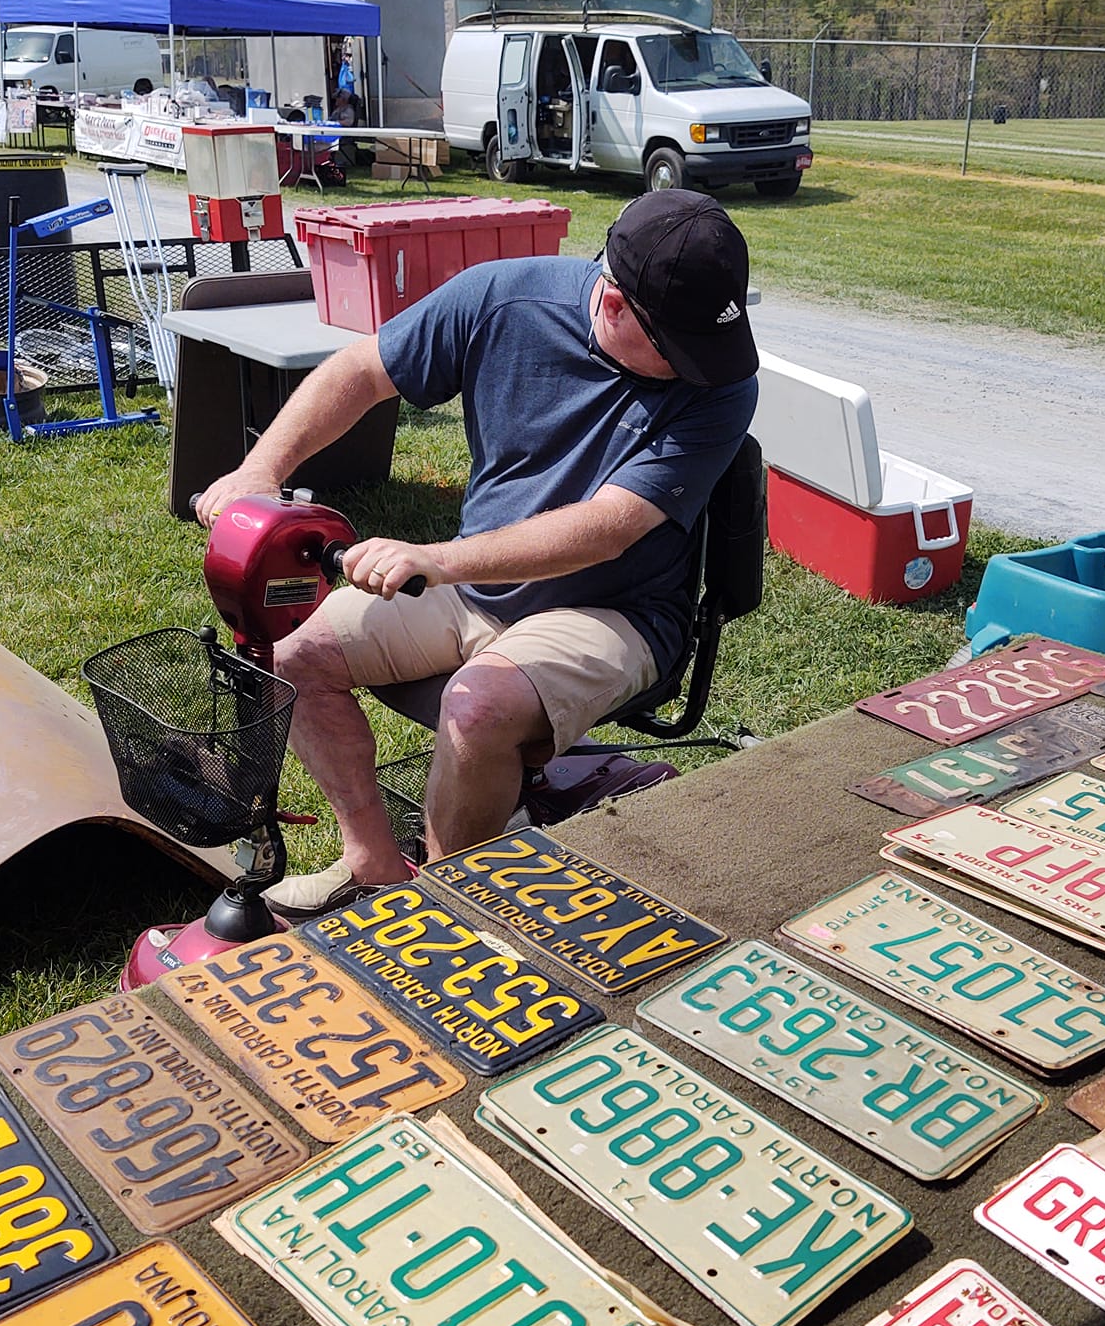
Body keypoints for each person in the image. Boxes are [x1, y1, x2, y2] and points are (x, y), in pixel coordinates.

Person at [194, 188, 759, 923]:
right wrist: (260, 470)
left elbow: (611, 526)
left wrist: (442, 559)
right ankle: (372, 863)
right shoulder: (503, 298)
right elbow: (361, 371)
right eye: (681, 351)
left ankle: (445, 911)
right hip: (476, 587)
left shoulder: (721, 382)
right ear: (613, 305)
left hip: (616, 609)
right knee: (290, 660)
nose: (703, 369)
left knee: (476, 705)